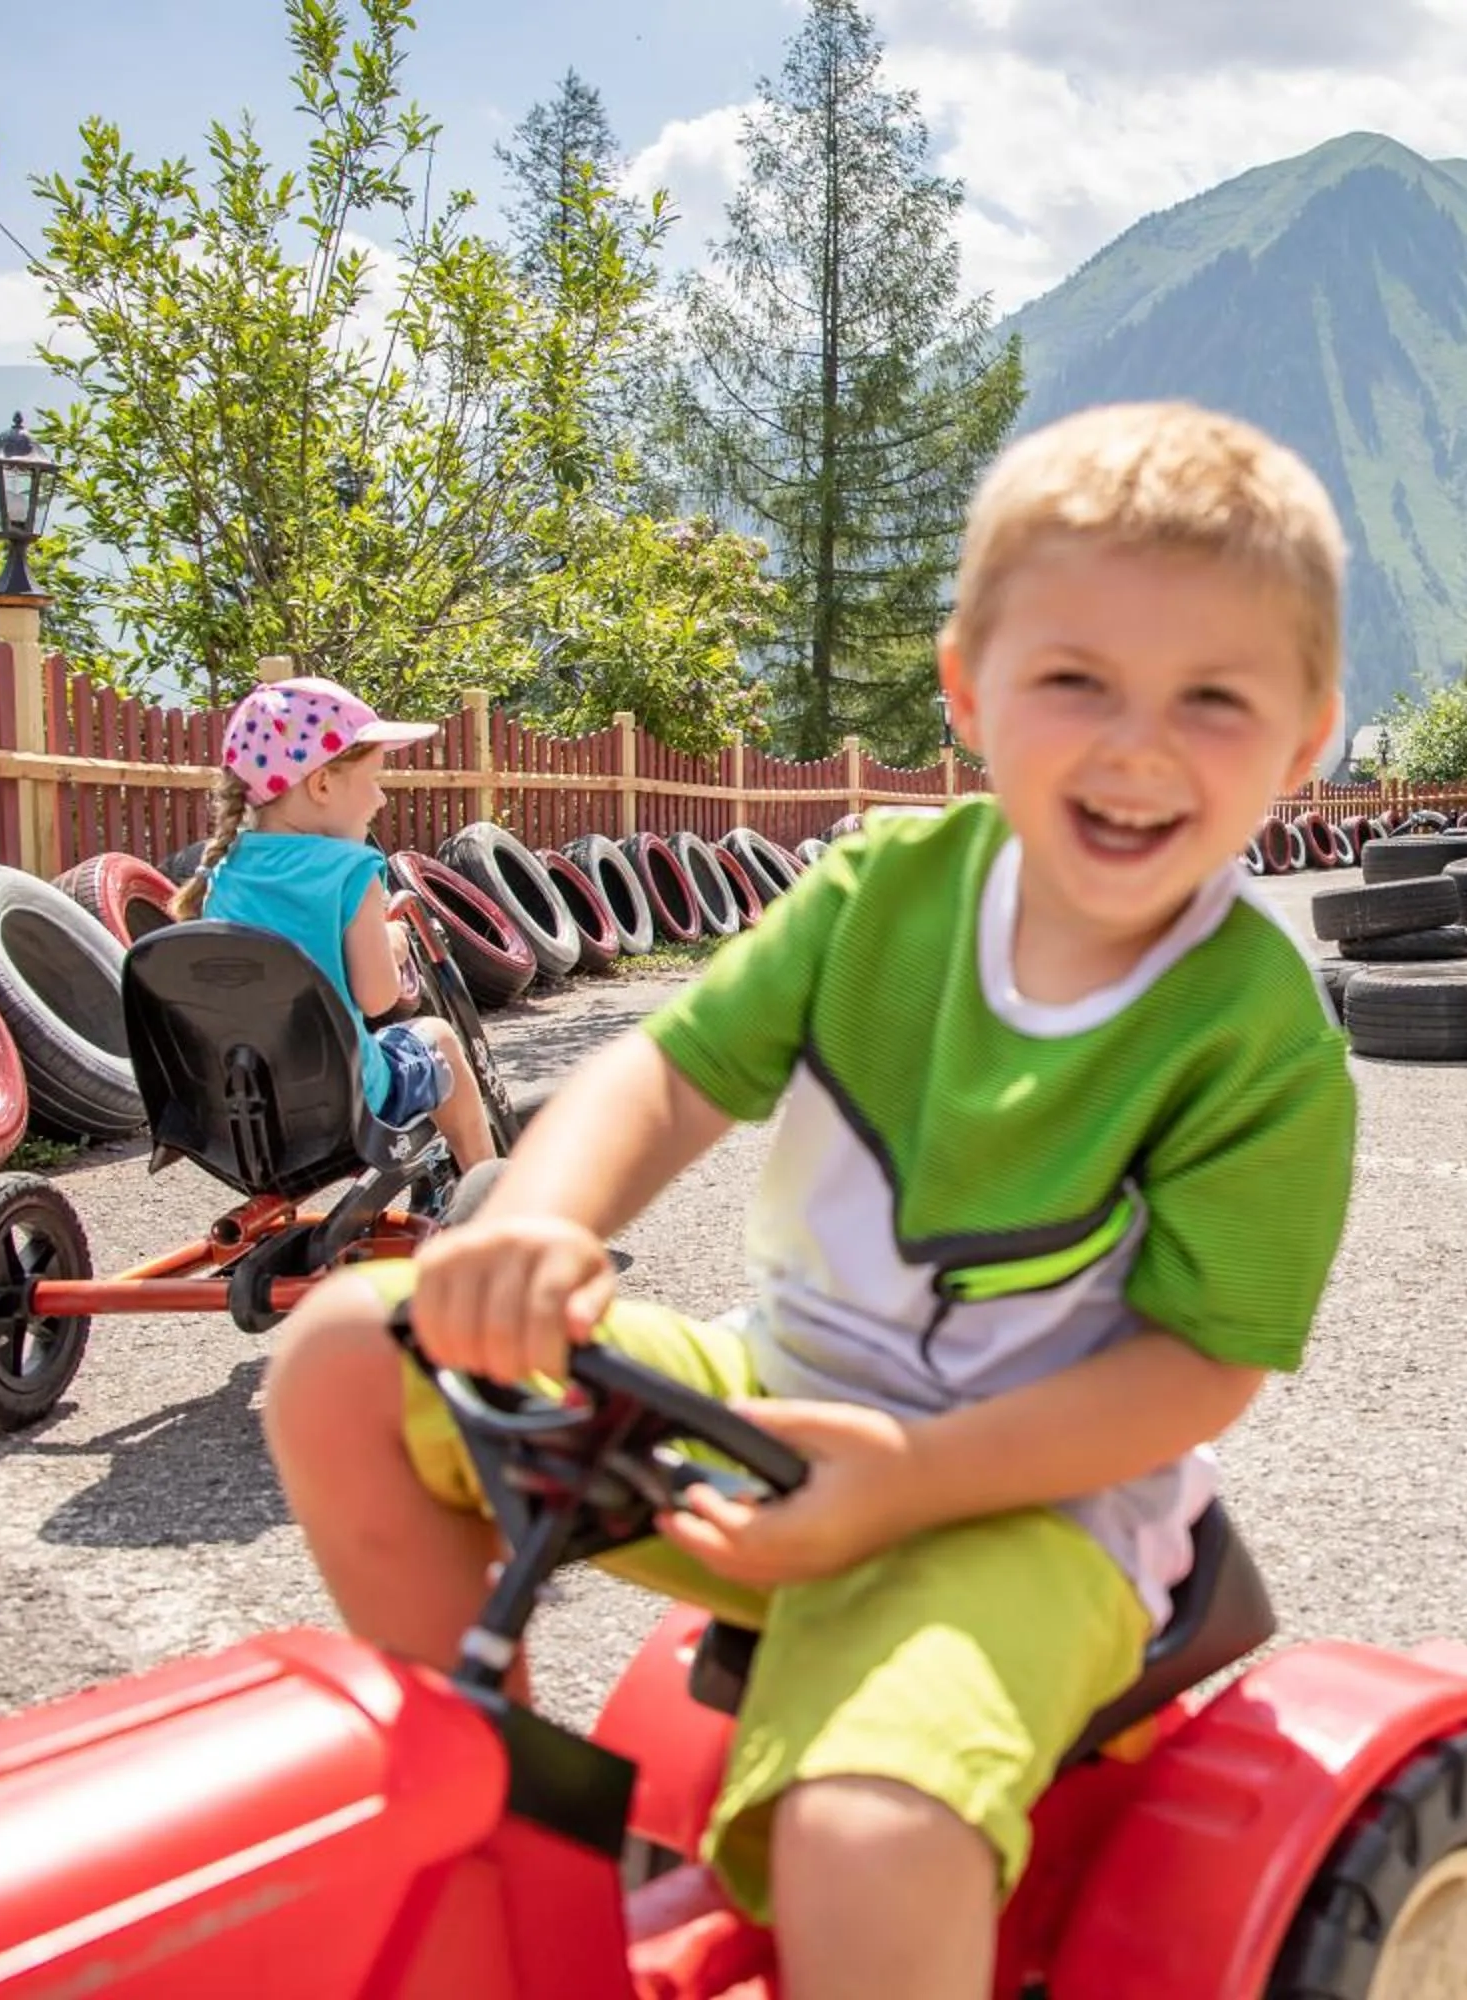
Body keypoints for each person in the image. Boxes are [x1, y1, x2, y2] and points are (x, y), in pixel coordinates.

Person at [258, 401, 1355, 2000]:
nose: (1135, 747)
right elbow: (670, 1074)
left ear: (1305, 736)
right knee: (350, 1360)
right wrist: (534, 1216)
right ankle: (495, 1840)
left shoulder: (1260, 1040)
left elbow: (1203, 1368)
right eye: (1076, 682)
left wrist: (911, 1480)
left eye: (1212, 700)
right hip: (773, 1408)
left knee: (866, 1837)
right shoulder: (877, 899)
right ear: (969, 689)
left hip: (1029, 1505)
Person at [173, 676, 496, 1171]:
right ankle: (490, 1193)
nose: (381, 799)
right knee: (440, 1040)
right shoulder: (351, 872)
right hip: (345, 1097)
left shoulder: (223, 873)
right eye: (373, 780)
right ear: (322, 784)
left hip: (245, 1104)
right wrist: (391, 942)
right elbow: (379, 999)